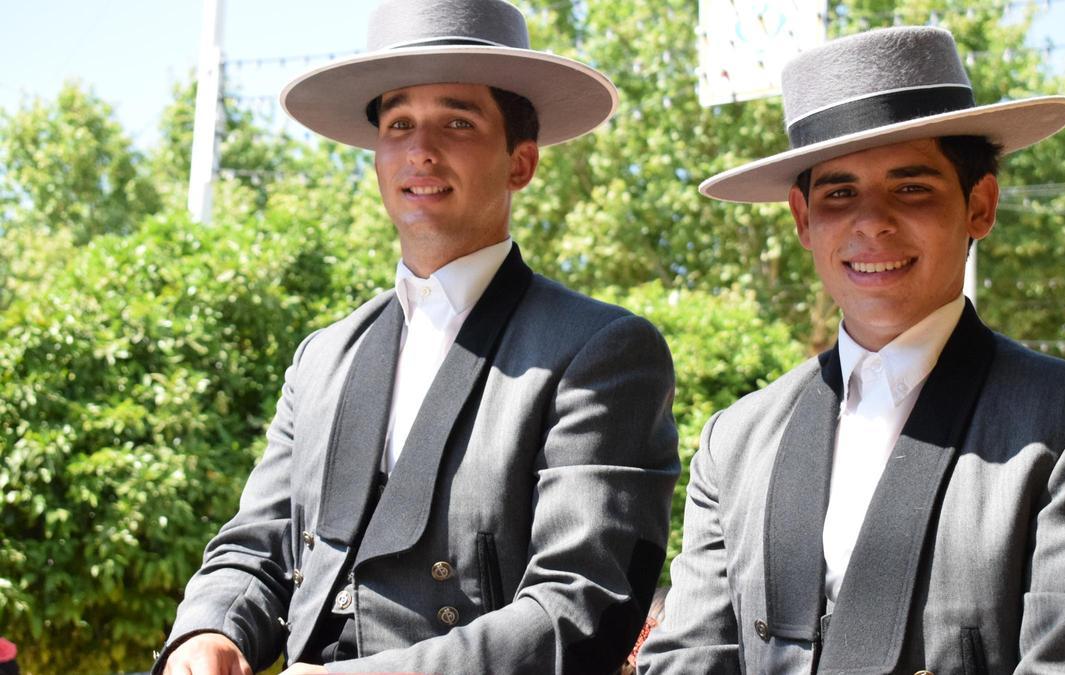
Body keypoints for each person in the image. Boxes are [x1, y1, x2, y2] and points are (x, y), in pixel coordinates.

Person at [155, 1, 679, 673]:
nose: (420, 149)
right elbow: (258, 547)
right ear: (375, 159)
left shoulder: (601, 351)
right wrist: (209, 632)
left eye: (457, 121)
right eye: (399, 123)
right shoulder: (322, 358)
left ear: (522, 163)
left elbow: (581, 606)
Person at [638, 26, 1065, 674]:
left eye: (911, 187)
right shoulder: (735, 442)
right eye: (839, 192)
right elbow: (690, 658)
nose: (872, 221)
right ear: (803, 219)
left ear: (980, 205)